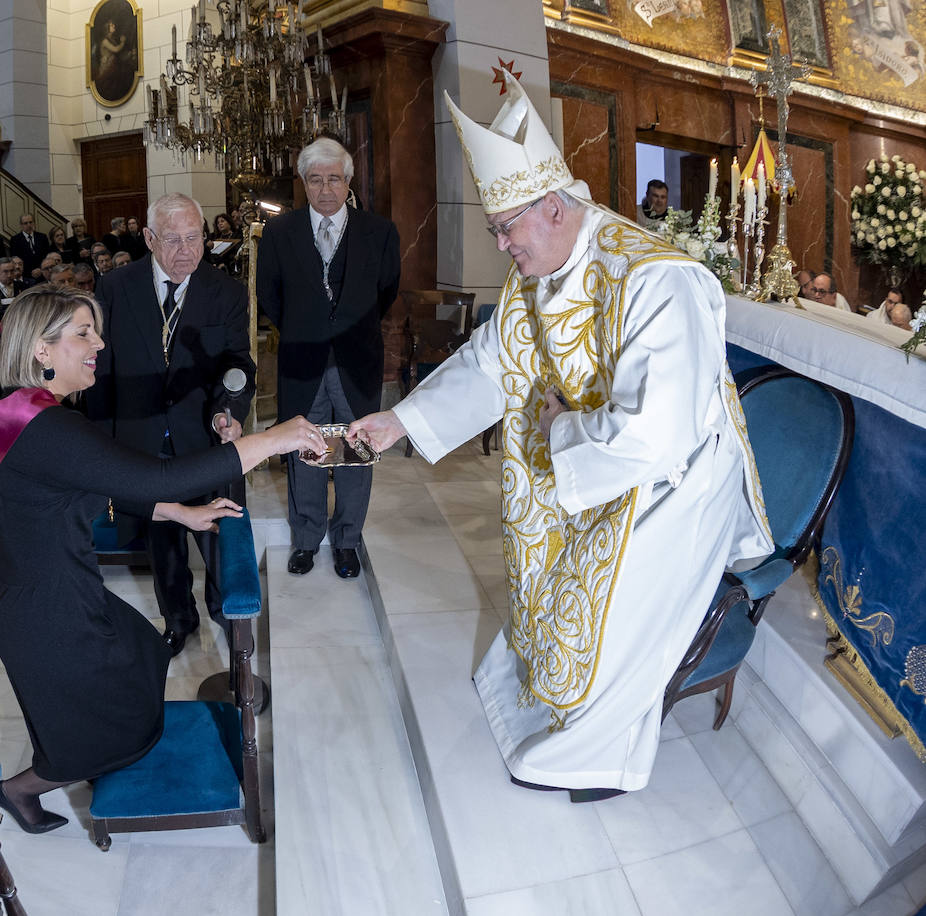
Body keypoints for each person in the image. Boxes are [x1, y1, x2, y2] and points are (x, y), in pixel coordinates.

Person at [349, 76, 773, 800]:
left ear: (553, 206)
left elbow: (659, 432)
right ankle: (539, 695)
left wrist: (561, 429)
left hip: (674, 484)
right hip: (593, 459)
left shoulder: (657, 280)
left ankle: (596, 754)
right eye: (495, 230)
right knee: (544, 560)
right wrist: (401, 422)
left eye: (506, 227)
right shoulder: (537, 268)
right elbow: (491, 362)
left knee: (610, 598)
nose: (501, 245)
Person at [0, 284, 323, 832]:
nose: (99, 345)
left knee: (140, 653)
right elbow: (158, 476)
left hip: (36, 583)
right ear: (40, 348)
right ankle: (19, 789)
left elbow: (97, 486)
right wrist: (272, 440)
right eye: (84, 333)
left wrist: (178, 513)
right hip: (42, 603)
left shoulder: (17, 416)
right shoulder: (50, 428)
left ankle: (67, 767)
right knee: (102, 723)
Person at [87, 192, 255, 656]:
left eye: (194, 238)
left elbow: (238, 363)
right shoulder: (116, 287)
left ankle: (227, 615)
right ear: (148, 238)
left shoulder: (226, 291)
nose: (187, 250)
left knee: (218, 534)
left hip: (203, 436)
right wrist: (101, 441)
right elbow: (100, 371)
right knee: (162, 541)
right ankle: (178, 620)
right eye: (173, 239)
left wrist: (228, 410)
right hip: (140, 438)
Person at [256, 136, 401, 579]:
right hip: (302, 360)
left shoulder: (379, 232)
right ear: (304, 182)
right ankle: (305, 539)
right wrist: (306, 328)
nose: (325, 189)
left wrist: (348, 328)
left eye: (334, 179)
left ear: (348, 181)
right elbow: (269, 295)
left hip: (358, 360)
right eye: (315, 180)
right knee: (305, 450)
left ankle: (347, 542)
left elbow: (386, 291)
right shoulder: (279, 232)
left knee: (358, 450)